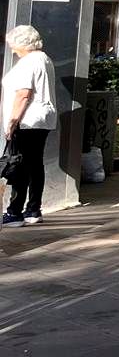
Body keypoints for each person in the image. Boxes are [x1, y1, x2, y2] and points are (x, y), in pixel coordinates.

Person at [2, 25, 58, 227]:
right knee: (35, 165)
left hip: (27, 120)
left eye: (13, 45)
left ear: (22, 43)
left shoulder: (28, 62)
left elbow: (23, 94)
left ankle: (14, 212)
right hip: (41, 120)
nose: (12, 50)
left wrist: (12, 121)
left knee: (20, 165)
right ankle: (33, 209)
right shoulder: (44, 59)